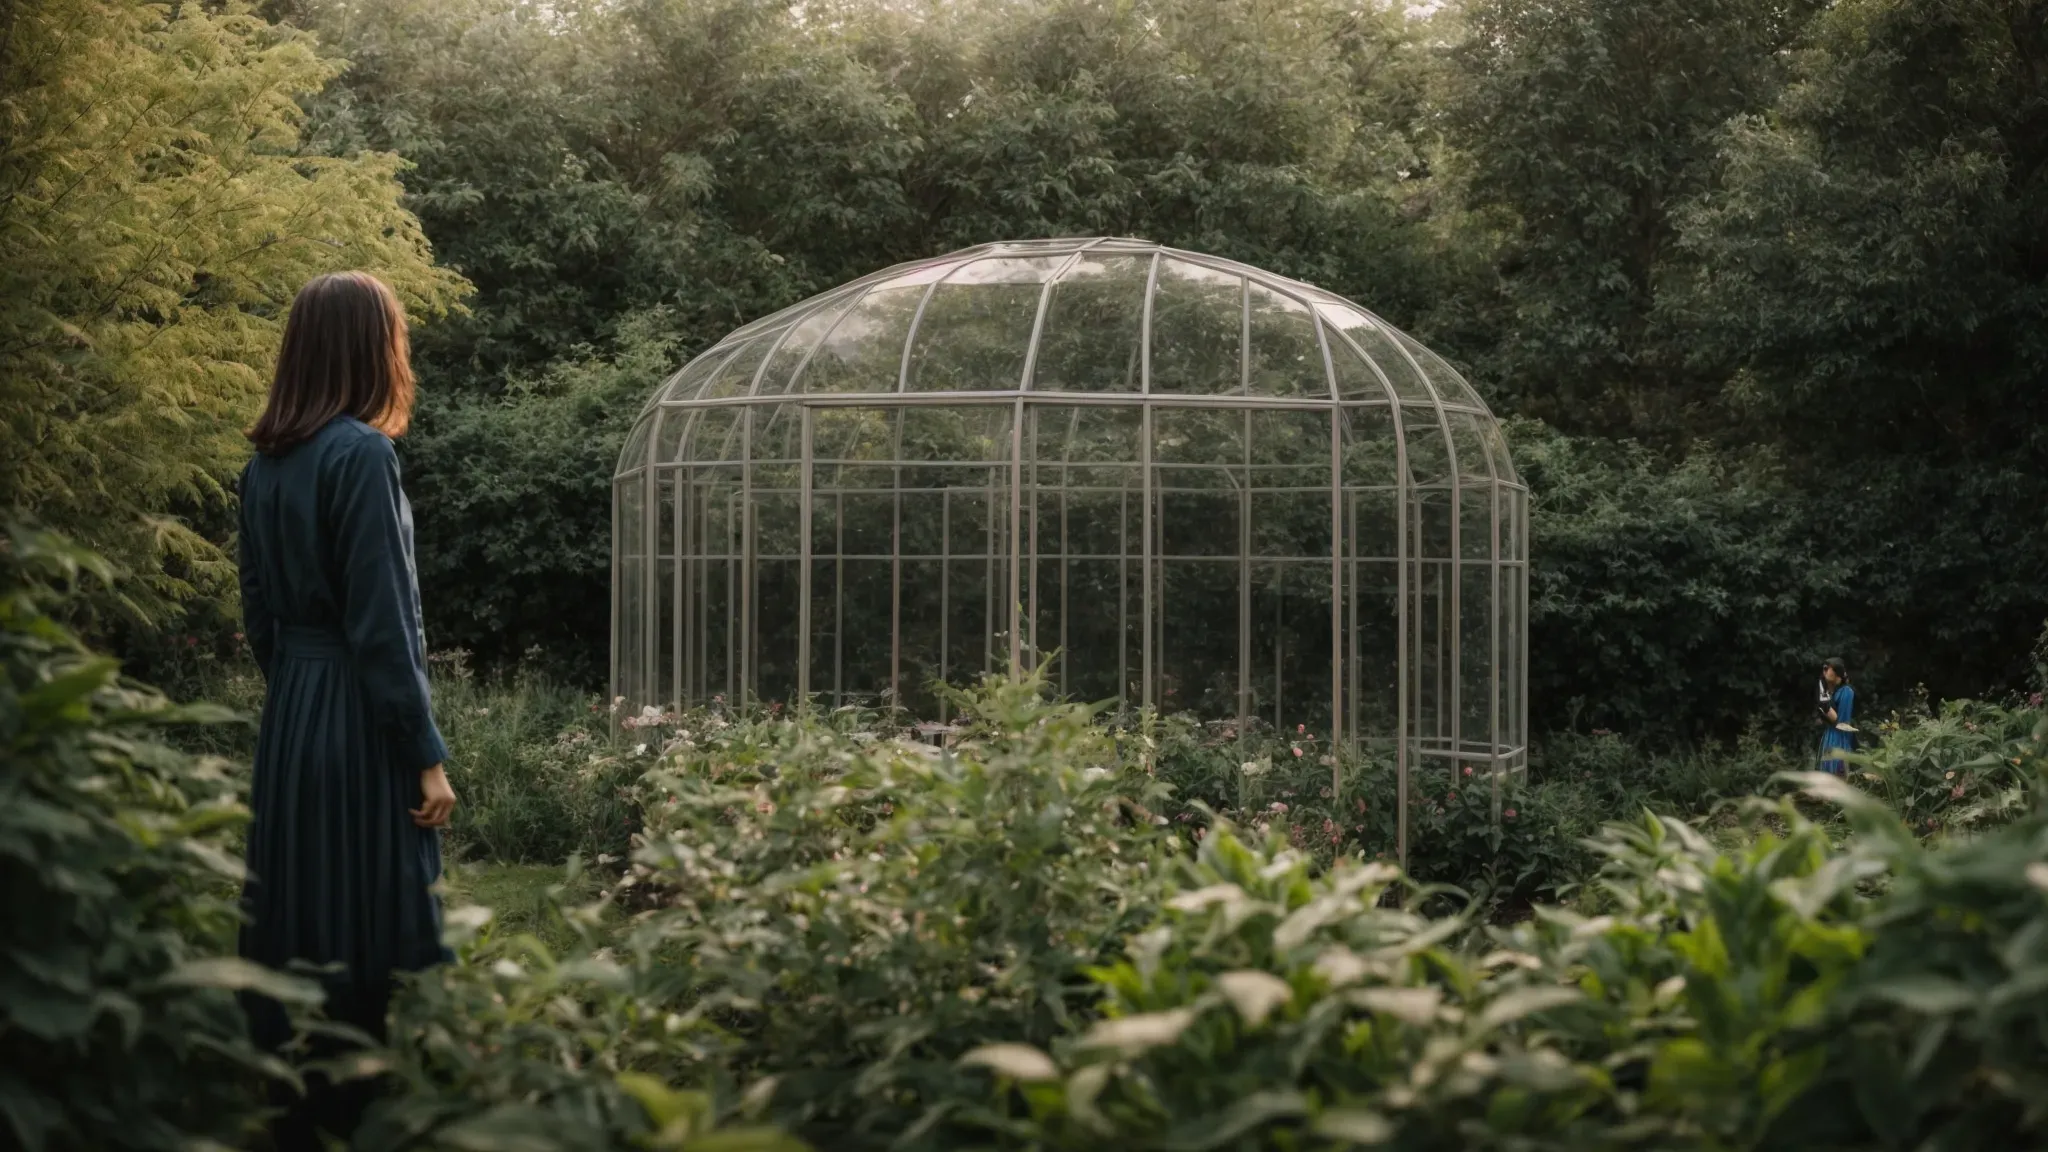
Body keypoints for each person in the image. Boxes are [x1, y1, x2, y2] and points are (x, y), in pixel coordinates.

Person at [236, 272, 457, 1147]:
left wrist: (297, 689)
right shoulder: (360, 454)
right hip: (357, 713)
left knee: (299, 900)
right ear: (373, 349)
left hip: (293, 707)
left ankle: (295, 1091)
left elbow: (259, 613)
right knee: (373, 897)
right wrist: (424, 753)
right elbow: (383, 623)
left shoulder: (264, 466)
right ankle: (369, 1097)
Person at [1817, 657, 1856, 774]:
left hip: (1840, 736)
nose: (1824, 671)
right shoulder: (1831, 691)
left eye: (1827, 668)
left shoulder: (1846, 692)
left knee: (1837, 771)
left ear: (1837, 672)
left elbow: (1841, 722)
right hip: (1829, 734)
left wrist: (1825, 706)